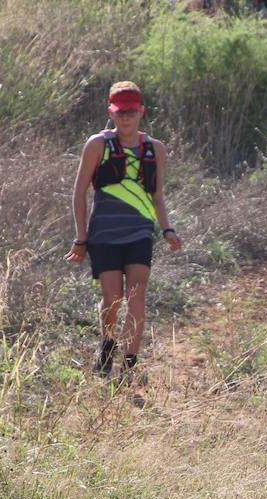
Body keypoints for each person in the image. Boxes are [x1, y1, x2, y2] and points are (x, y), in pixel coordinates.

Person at [66, 81, 183, 380]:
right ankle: (106, 345)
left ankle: (129, 365)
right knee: (113, 298)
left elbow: (157, 196)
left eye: (131, 111)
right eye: (120, 112)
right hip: (103, 234)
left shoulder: (155, 149)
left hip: (140, 231)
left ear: (141, 111)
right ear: (111, 112)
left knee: (137, 295)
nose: (126, 118)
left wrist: (167, 229)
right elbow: (79, 193)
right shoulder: (98, 145)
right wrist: (81, 238)